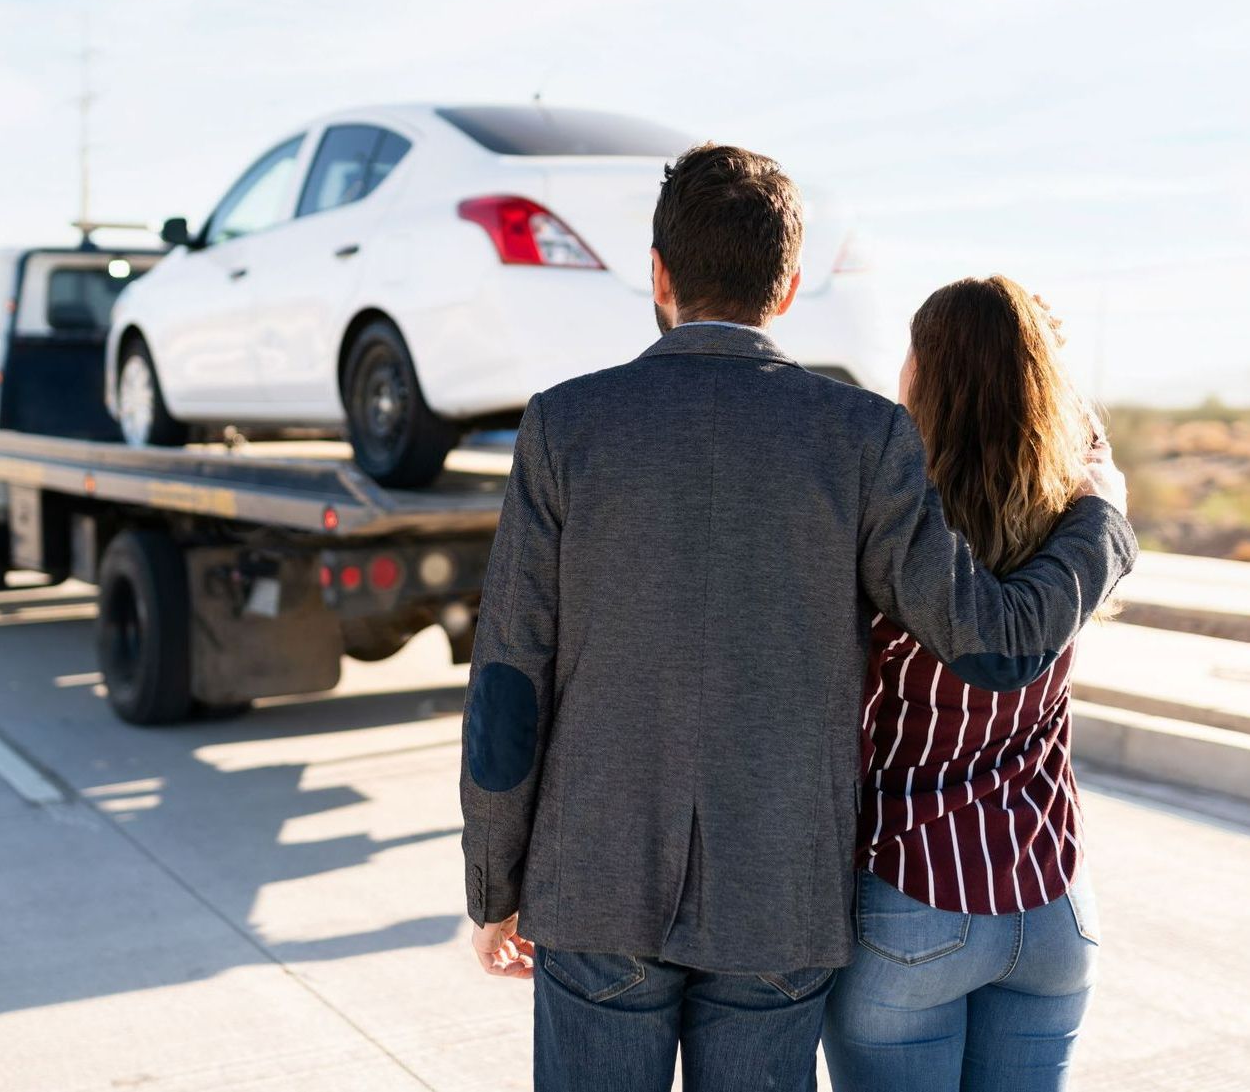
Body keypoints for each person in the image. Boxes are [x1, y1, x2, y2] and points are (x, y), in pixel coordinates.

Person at [458, 144, 1135, 1092]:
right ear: (788, 287)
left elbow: (506, 682)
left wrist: (495, 881)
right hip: (778, 900)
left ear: (657, 275)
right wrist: (1100, 518)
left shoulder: (563, 425)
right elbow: (993, 643)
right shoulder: (865, 435)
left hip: (595, 886)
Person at [822, 277, 1109, 1091]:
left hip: (913, 902)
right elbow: (1092, 452)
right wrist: (1045, 361)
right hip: (1051, 904)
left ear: (925, 374)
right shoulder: (1071, 531)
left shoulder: (893, 537)